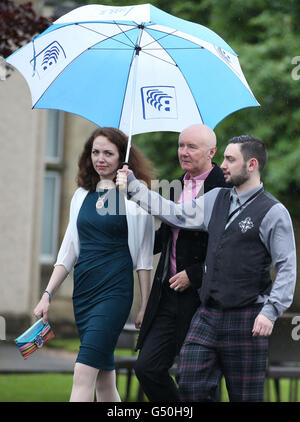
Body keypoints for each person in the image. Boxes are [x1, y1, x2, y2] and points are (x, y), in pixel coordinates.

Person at [117, 134, 297, 402]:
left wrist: (270, 312)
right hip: (208, 314)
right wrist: (134, 187)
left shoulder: (273, 211)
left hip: (248, 318)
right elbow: (175, 213)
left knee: (245, 397)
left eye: (230, 159)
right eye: (223, 157)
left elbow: (287, 267)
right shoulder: (216, 199)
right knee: (191, 386)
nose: (222, 165)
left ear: (252, 165)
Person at [34, 127, 155, 402]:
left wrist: (145, 305)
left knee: (83, 371)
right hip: (84, 293)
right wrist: (47, 294)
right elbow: (68, 252)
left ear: (122, 158)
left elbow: (145, 260)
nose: (100, 158)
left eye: (109, 153)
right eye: (95, 152)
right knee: (104, 379)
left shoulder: (137, 198)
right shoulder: (80, 195)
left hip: (114, 293)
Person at [134, 124, 227, 402]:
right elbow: (165, 236)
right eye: (180, 145)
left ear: (212, 152)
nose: (183, 152)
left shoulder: (224, 187)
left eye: (191, 147)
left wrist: (195, 274)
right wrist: (125, 240)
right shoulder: (177, 183)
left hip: (200, 297)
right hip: (166, 296)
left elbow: (227, 246)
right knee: (147, 368)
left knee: (196, 378)